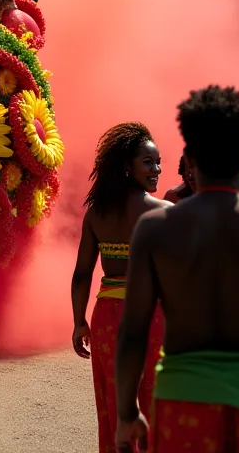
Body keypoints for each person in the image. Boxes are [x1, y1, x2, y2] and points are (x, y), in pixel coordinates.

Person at [116, 86, 239, 453]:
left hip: (182, 401)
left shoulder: (157, 228)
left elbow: (132, 332)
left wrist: (127, 412)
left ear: (189, 158)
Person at [71, 122, 170, 453]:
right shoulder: (164, 213)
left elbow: (82, 274)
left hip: (106, 320)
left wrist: (79, 322)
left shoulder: (96, 215)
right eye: (148, 162)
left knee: (114, 403)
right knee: (156, 402)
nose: (156, 169)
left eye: (158, 162)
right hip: (152, 318)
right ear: (127, 166)